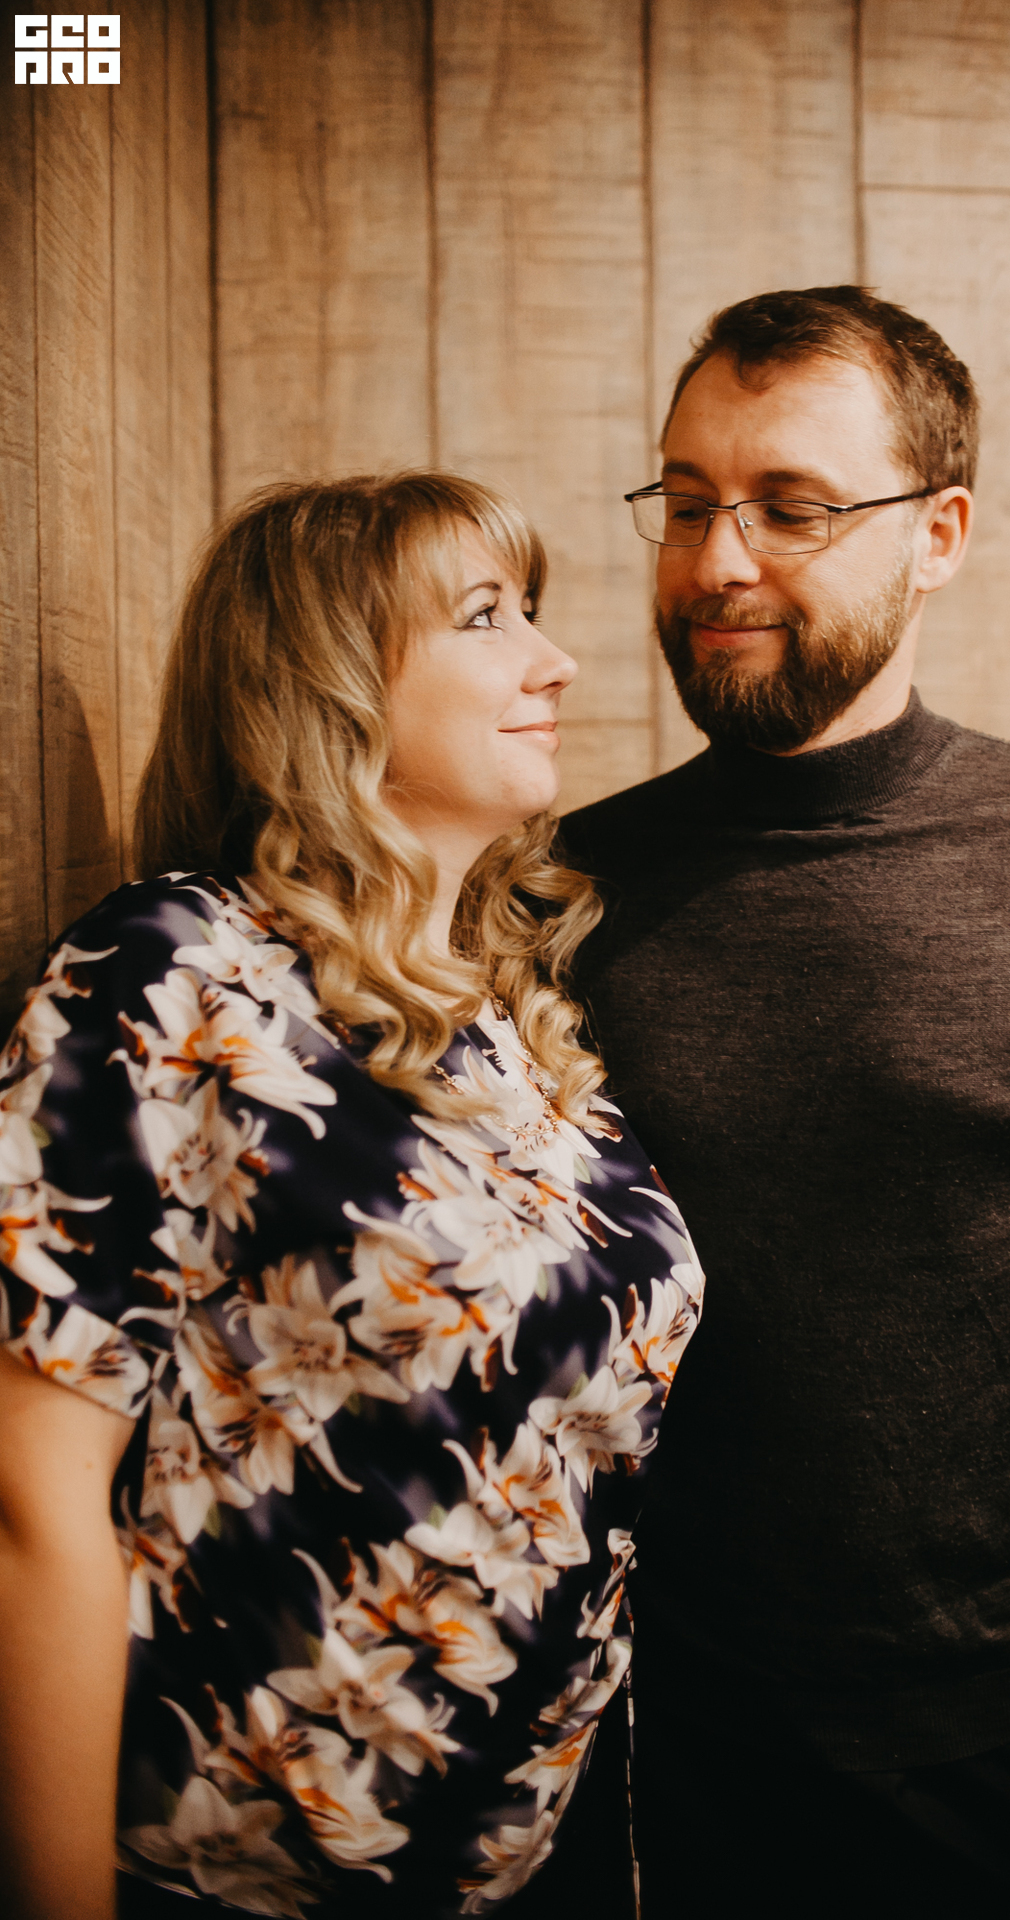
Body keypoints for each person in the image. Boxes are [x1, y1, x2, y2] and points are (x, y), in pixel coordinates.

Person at [556, 287, 1010, 1919]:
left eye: (791, 508)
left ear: (937, 533)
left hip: (980, 1766)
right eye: (687, 502)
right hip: (604, 1757)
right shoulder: (558, 891)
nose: (717, 562)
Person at [0, 473, 702, 1920]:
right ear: (326, 682)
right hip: (246, 1875)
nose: (556, 661)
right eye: (486, 616)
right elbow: (30, 1501)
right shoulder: (171, 974)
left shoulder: (503, 1008)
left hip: (532, 1854)